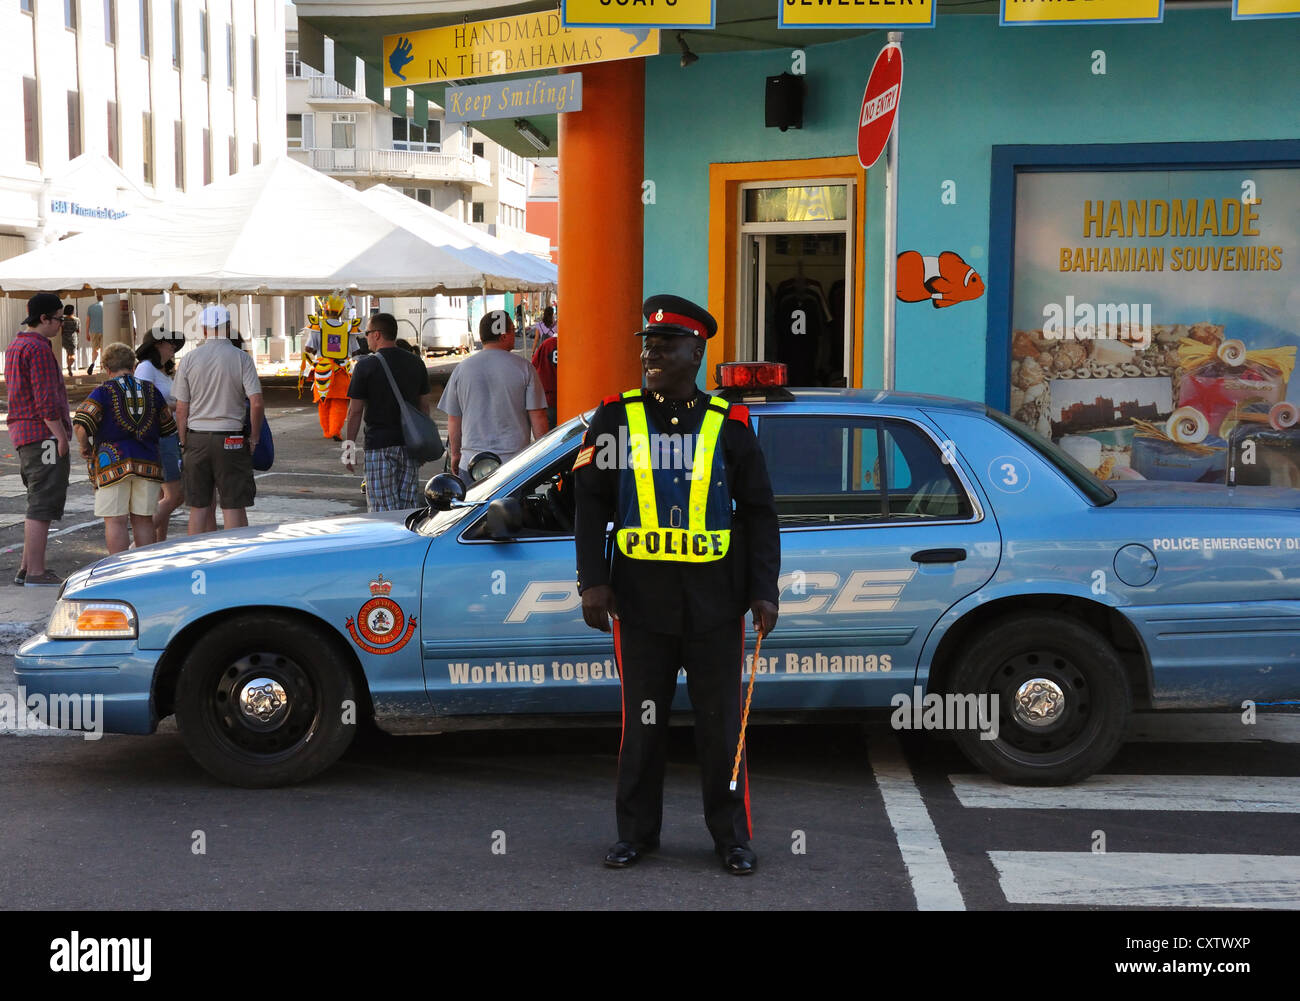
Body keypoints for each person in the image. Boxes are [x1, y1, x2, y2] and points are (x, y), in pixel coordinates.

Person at [573, 294, 781, 876]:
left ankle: (732, 838)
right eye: (649, 343)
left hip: (717, 606)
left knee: (722, 732)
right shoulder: (615, 418)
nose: (653, 352)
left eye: (666, 344)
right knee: (641, 724)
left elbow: (761, 512)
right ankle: (636, 834)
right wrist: (593, 580)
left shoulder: (731, 425)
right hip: (640, 606)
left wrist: (765, 588)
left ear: (697, 352)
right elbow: (589, 505)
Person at [73, 342, 176, 554]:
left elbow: (82, 424)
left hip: (111, 463)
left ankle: (118, 573)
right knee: (144, 521)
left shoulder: (102, 392)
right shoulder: (151, 391)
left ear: (106, 368)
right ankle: (142, 571)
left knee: (115, 521)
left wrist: (85, 447)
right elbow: (167, 427)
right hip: (148, 462)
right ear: (133, 365)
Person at [172, 305, 263, 534]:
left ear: (203, 330)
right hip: (231, 438)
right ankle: (237, 560)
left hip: (197, 438)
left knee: (199, 507)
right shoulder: (242, 358)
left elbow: (182, 408)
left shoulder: (189, 359)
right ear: (229, 328)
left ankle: (194, 559)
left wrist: (183, 441)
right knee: (233, 505)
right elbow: (257, 402)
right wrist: (254, 438)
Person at [4, 293, 73, 586]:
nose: (60, 324)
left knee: (37, 498)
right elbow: (46, 399)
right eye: (58, 318)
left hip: (23, 431)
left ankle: (26, 568)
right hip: (42, 434)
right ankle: (35, 571)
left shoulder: (16, 345)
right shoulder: (39, 349)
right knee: (43, 503)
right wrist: (61, 436)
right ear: (43, 318)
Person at [439, 310, 548, 482]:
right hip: (514, 462)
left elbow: (454, 419)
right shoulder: (525, 368)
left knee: (473, 508)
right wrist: (543, 455)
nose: (514, 333)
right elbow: (538, 417)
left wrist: (455, 453)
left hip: (472, 463)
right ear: (503, 335)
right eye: (512, 329)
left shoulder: (462, 369)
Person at [343, 312, 432, 511]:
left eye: (366, 333)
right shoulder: (416, 363)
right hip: (410, 445)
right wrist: (423, 443)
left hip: (379, 446)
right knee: (407, 510)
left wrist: (349, 447)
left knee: (383, 512)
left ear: (377, 335)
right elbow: (424, 407)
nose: (365, 338)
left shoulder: (366, 366)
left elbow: (355, 412)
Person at [134, 328, 187, 540]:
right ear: (157, 344)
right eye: (169, 342)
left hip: (169, 434)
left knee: (163, 496)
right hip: (159, 436)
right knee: (176, 495)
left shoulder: (164, 371)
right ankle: (138, 542)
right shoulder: (146, 368)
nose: (173, 347)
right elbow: (143, 400)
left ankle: (156, 543)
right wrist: (176, 407)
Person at [530, 318, 558, 430]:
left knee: (550, 437)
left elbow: (533, 367)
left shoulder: (546, 344)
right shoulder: (573, 344)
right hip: (570, 399)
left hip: (548, 398)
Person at [85, 295, 104, 375]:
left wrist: (87, 333)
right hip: (104, 330)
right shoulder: (106, 306)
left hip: (93, 331)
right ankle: (102, 367)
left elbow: (88, 321)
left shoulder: (91, 307)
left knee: (95, 350)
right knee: (103, 350)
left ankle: (93, 363)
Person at [60, 304, 79, 378]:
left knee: (68, 354)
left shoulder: (62, 320)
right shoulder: (76, 319)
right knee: (73, 355)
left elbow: (61, 330)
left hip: (64, 338)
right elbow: (78, 330)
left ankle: (69, 368)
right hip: (73, 339)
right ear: (72, 311)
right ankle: (69, 366)